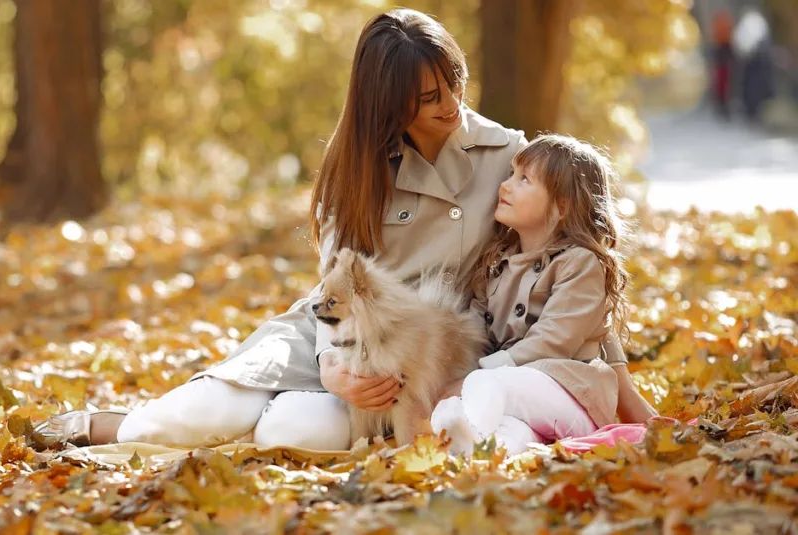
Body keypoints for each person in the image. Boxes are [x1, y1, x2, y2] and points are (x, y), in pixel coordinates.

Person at [36, 8, 656, 451]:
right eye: (426, 97)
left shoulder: (509, 156)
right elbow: (329, 294)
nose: (449, 105)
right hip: (338, 337)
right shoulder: (356, 172)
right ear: (388, 104)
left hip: (426, 359)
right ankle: (105, 427)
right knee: (205, 410)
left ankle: (247, 426)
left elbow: (574, 280)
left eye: (454, 84)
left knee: (289, 429)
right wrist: (333, 368)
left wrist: (630, 400)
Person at [431, 134, 646, 456]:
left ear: (562, 206)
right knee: (513, 429)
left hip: (574, 394)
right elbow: (475, 322)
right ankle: (482, 454)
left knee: (486, 386)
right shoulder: (496, 261)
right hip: (523, 395)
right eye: (510, 175)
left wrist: (481, 371)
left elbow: (554, 339)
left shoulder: (580, 263)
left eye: (524, 179)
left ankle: (465, 431)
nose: (505, 186)